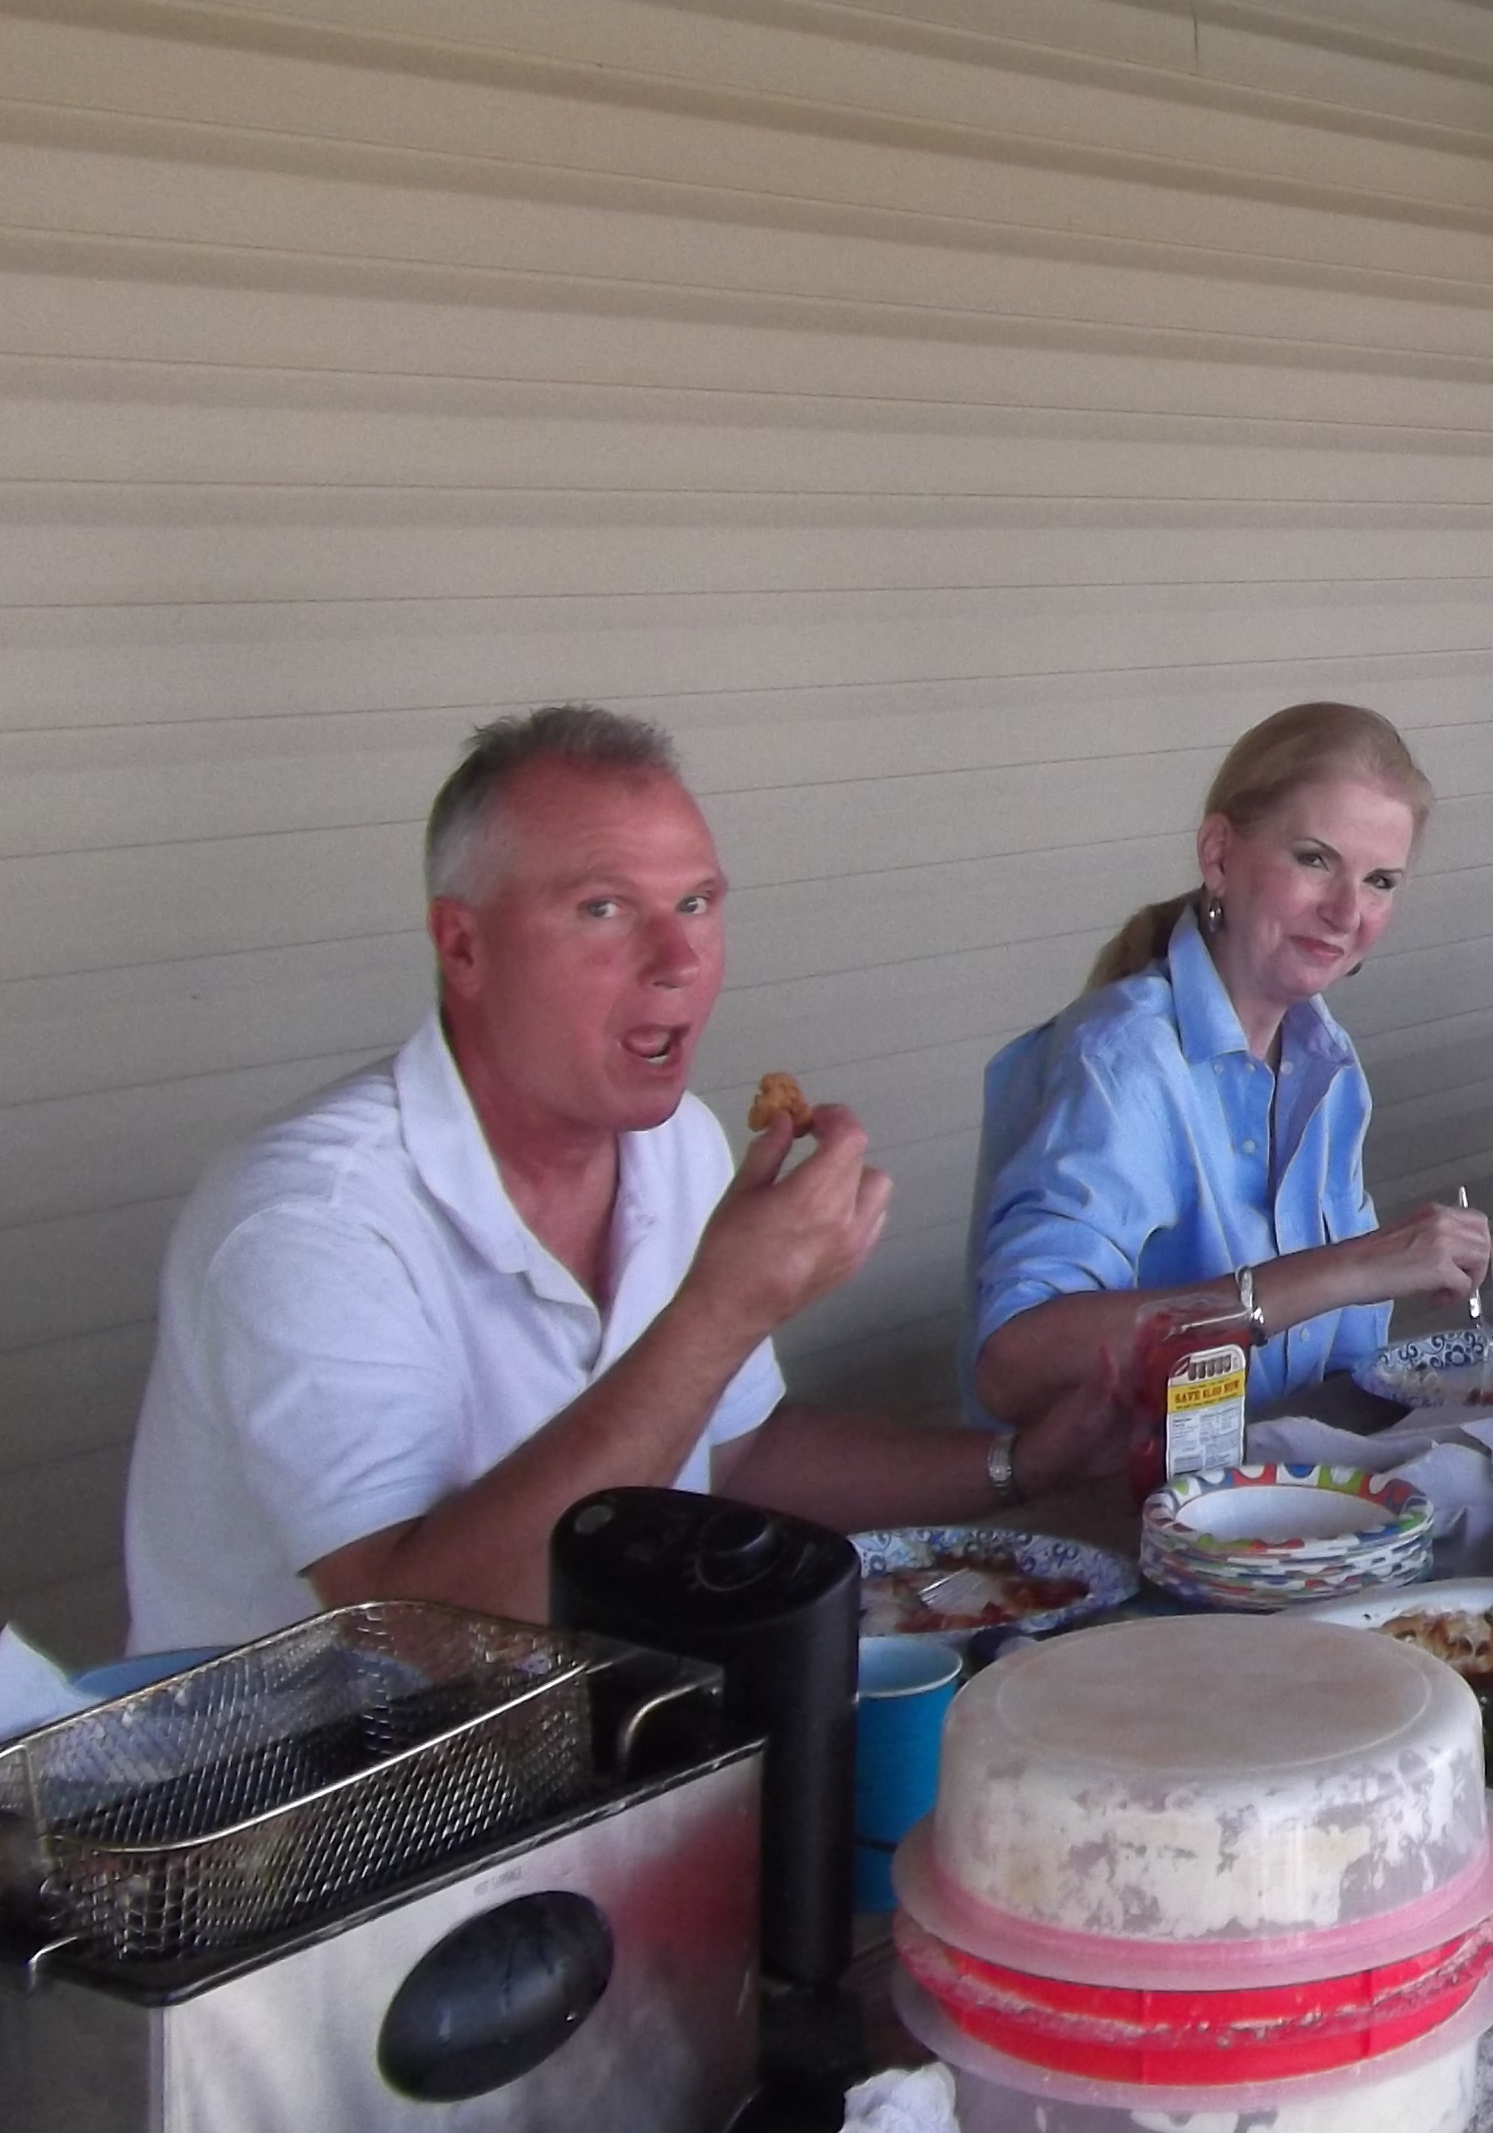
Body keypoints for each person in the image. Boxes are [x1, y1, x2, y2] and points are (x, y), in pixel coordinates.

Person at [123, 706, 1104, 1651]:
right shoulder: (312, 1216)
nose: (677, 959)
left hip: (607, 1724)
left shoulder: (678, 1145)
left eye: (696, 904)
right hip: (307, 1761)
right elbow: (423, 1637)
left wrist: (1017, 1464)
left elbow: (731, 1454)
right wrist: (722, 1309)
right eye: (603, 909)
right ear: (463, 945)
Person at [966, 704, 1491, 1432]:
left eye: (1380, 881)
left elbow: (1344, 1375)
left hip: (1287, 1488)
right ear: (1218, 856)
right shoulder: (1123, 1060)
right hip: (1123, 1496)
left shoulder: (1327, 1063)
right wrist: (1351, 1268)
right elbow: (1013, 1364)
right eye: (1314, 859)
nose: (1347, 912)